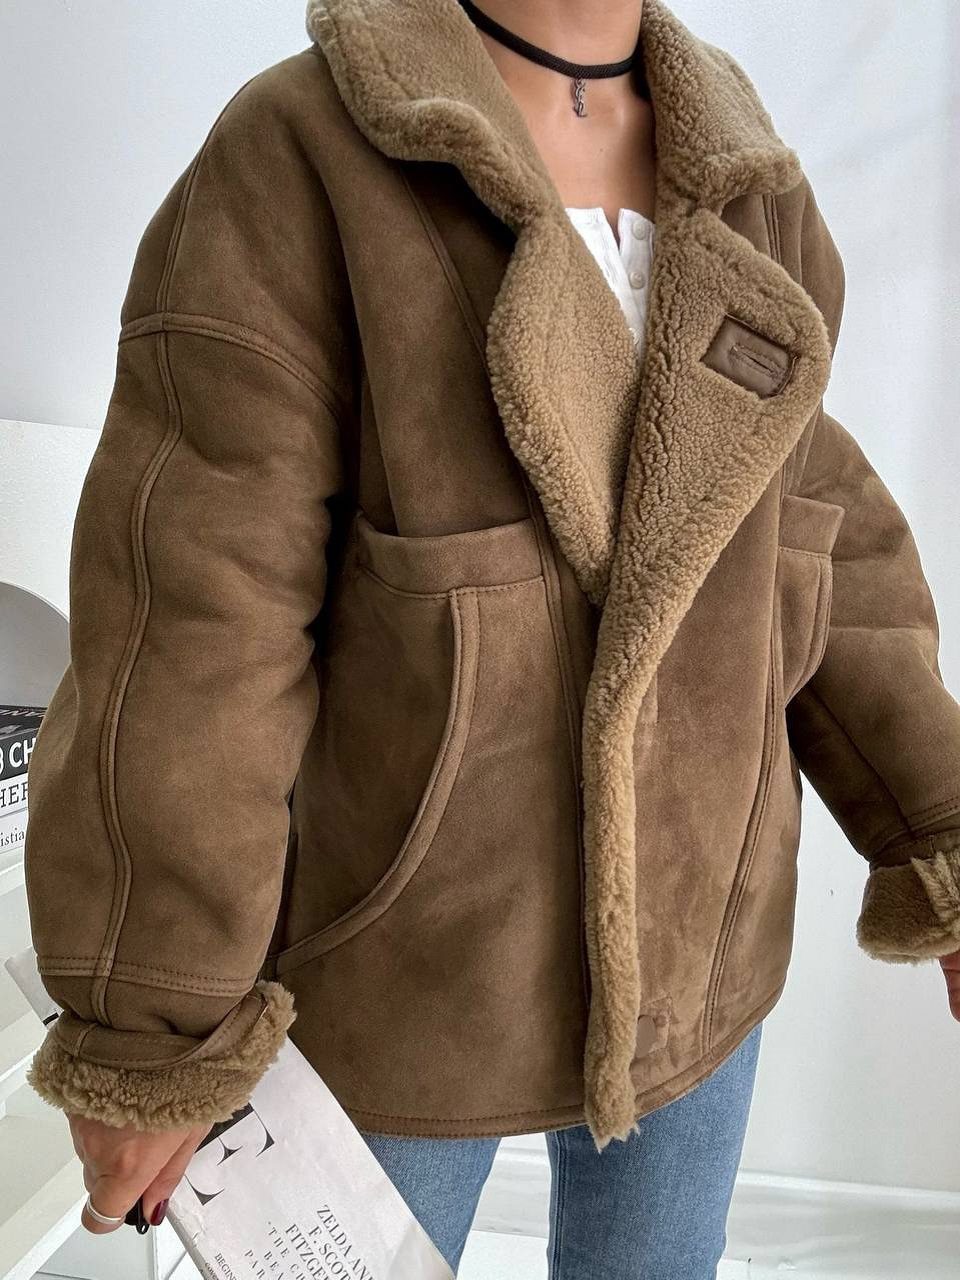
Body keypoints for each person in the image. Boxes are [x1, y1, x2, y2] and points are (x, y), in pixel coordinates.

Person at [22, 0, 960, 1275]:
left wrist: (938, 824)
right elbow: (191, 616)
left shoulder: (750, 185)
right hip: (401, 956)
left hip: (705, 945)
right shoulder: (302, 151)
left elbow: (821, 542)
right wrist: (153, 1019)